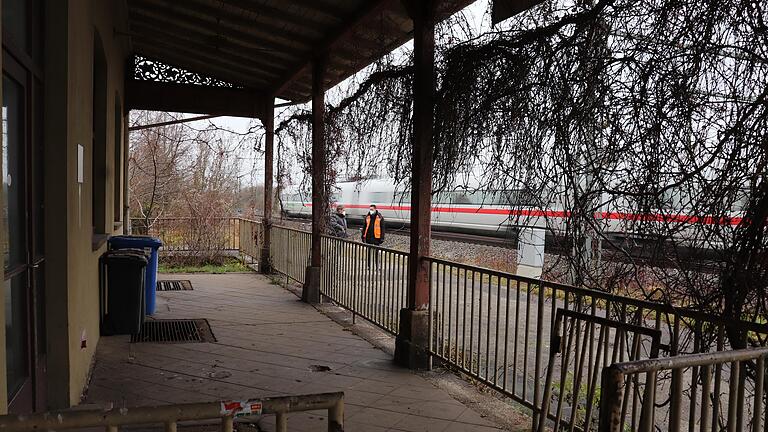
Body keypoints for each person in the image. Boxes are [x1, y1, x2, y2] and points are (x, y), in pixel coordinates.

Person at [361, 204, 385, 268]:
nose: (370, 211)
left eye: (372, 209)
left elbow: (382, 228)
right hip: (369, 237)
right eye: (370, 209)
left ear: (375, 209)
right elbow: (364, 227)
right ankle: (368, 266)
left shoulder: (379, 217)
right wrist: (363, 236)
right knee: (368, 252)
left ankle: (377, 266)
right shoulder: (367, 217)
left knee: (377, 253)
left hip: (376, 237)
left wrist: (382, 238)